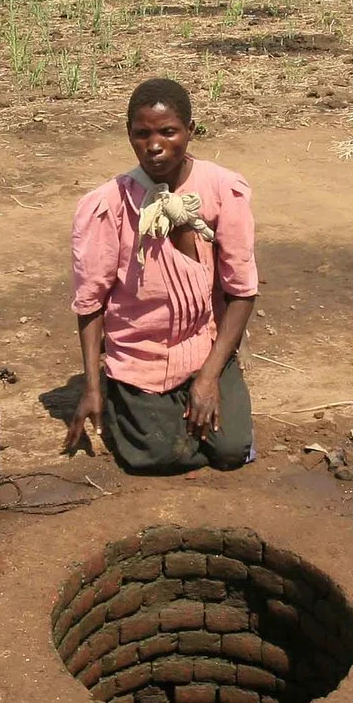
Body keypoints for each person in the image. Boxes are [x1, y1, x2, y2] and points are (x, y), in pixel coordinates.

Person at [65, 78, 259, 472]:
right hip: (141, 353)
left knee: (231, 451)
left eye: (168, 132)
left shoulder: (222, 190)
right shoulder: (109, 204)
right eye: (142, 134)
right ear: (129, 136)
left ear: (190, 129)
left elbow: (241, 291)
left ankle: (196, 395)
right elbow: (90, 303)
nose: (155, 146)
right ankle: (124, 398)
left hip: (205, 345)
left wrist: (208, 378)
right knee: (155, 456)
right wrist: (91, 387)